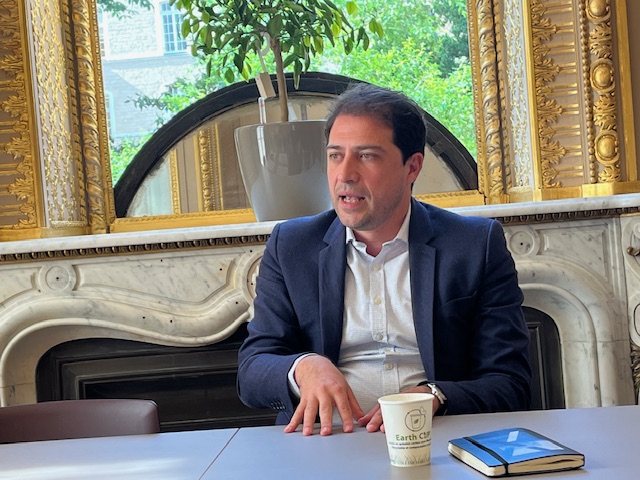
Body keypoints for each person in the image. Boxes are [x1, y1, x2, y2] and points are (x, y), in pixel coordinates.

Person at [237, 83, 531, 437]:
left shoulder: (474, 245)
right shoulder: (293, 246)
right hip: (327, 439)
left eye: (367, 156)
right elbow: (252, 371)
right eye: (335, 155)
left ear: (412, 167)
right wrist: (303, 367)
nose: (345, 174)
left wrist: (435, 395)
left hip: (435, 435)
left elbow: (510, 383)